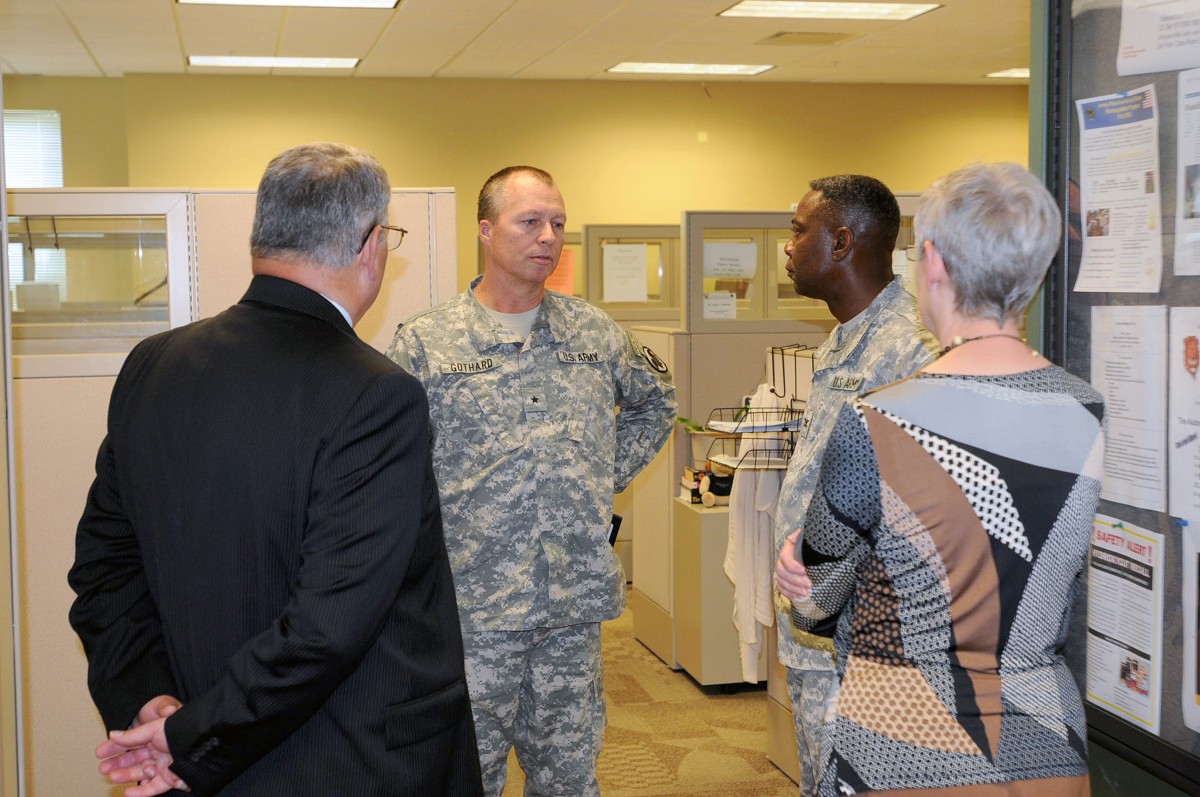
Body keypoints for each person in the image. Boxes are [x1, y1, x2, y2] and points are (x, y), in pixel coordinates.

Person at [68, 142, 483, 797]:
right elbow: (324, 628)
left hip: (210, 760)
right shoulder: (376, 393)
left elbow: (104, 569)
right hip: (352, 766)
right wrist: (187, 735)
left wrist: (150, 700)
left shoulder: (154, 365)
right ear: (370, 246)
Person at [784, 162, 1104, 795]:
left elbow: (818, 602)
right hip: (1044, 729)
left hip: (908, 734)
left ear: (931, 263)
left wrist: (803, 575)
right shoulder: (1085, 410)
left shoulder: (877, 420)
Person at [386, 165, 676, 796]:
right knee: (465, 776)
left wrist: (602, 477)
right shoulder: (427, 343)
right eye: (530, 221)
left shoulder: (593, 333)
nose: (548, 236)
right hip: (471, 608)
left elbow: (657, 402)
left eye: (558, 223)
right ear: (487, 231)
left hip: (570, 609)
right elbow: (390, 463)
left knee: (568, 779)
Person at [772, 174, 936, 795]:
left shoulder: (908, 352)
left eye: (797, 231)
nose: (787, 247)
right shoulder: (843, 341)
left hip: (866, 643)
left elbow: (916, 519)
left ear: (841, 243)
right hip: (817, 626)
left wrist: (828, 582)